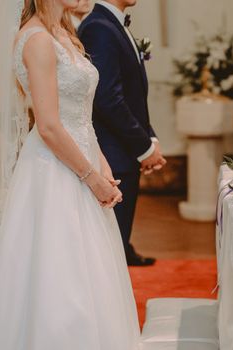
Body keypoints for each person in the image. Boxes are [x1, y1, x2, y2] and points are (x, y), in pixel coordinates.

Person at [0, 0, 140, 349]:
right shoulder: (36, 40)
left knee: (93, 272)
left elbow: (80, 116)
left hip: (81, 159)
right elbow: (48, 126)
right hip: (54, 172)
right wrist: (90, 176)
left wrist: (103, 167)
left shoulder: (65, 33)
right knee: (61, 273)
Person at [78, 0, 166, 267]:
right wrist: (143, 147)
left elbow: (132, 93)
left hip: (122, 151)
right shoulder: (99, 27)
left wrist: (149, 138)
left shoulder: (111, 23)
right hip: (112, 153)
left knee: (117, 241)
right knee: (108, 254)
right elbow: (107, 98)